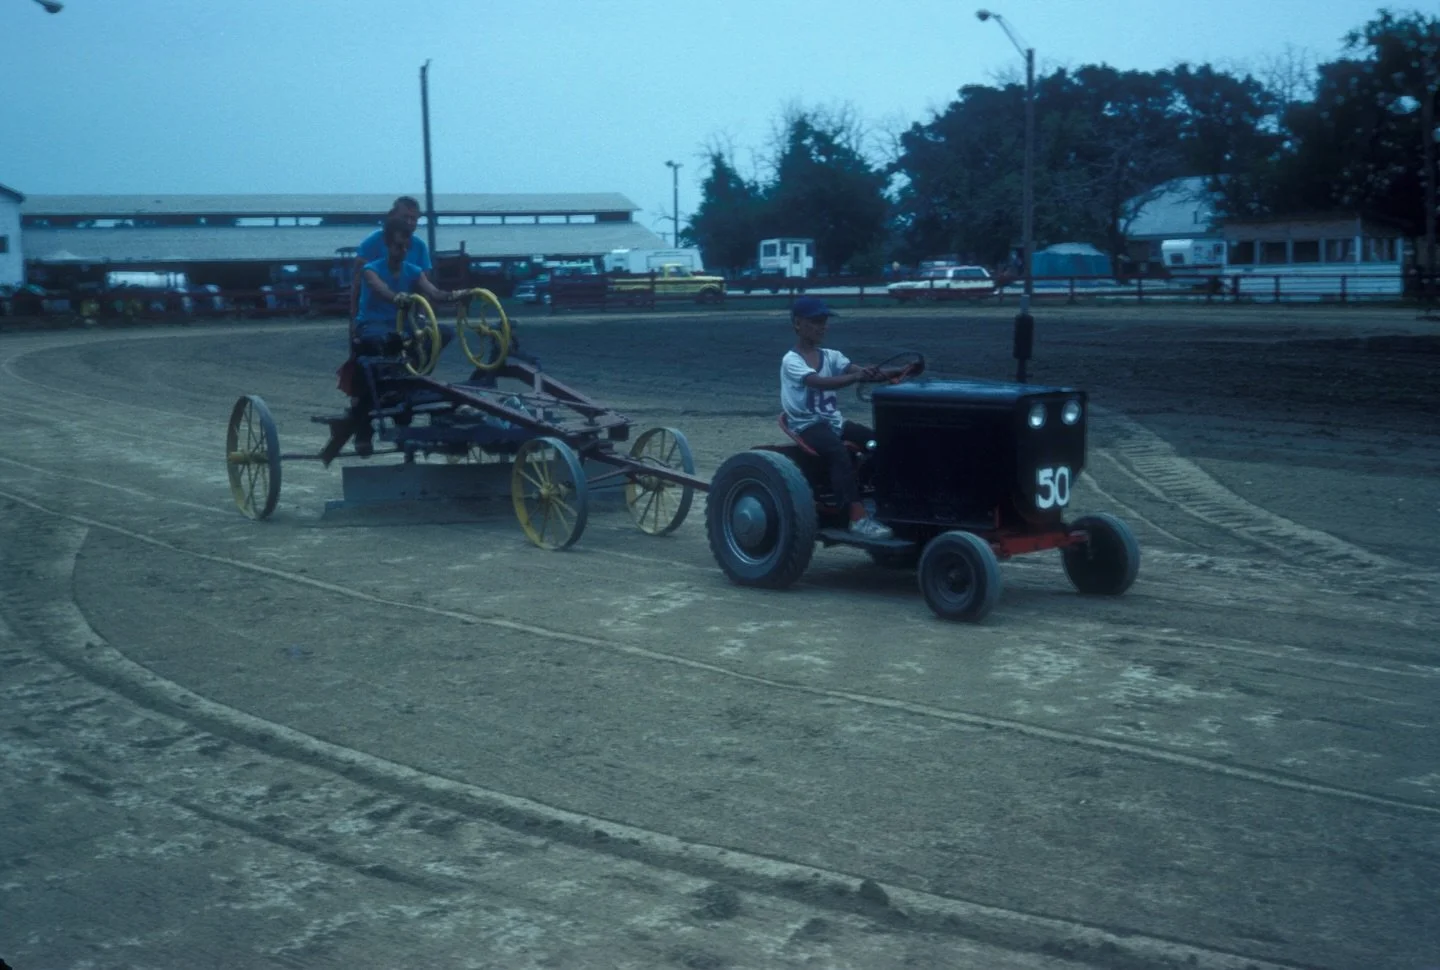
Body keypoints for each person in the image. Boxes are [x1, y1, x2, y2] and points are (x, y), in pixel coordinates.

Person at [781, 296, 909, 540]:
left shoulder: (831, 356)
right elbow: (818, 382)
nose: (823, 326)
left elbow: (861, 372)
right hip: (807, 425)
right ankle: (857, 518)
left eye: (825, 321)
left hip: (833, 423)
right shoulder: (792, 361)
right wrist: (856, 377)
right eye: (816, 321)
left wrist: (899, 370)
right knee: (838, 452)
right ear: (798, 324)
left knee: (877, 443)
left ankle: (884, 501)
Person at [347, 215, 462, 453]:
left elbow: (434, 293)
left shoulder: (413, 271)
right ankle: (371, 415)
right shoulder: (371, 270)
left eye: (406, 246)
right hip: (374, 326)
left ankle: (412, 374)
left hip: (403, 329)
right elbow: (381, 290)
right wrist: (396, 297)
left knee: (444, 333)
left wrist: (459, 295)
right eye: (399, 245)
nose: (403, 250)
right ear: (388, 245)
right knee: (388, 343)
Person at [350, 196, 431, 321]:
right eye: (405, 217)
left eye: (413, 218)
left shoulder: (420, 246)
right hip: (376, 315)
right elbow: (357, 285)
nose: (409, 222)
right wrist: (354, 321)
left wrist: (421, 315)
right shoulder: (371, 243)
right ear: (392, 215)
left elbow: (424, 287)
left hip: (407, 315)